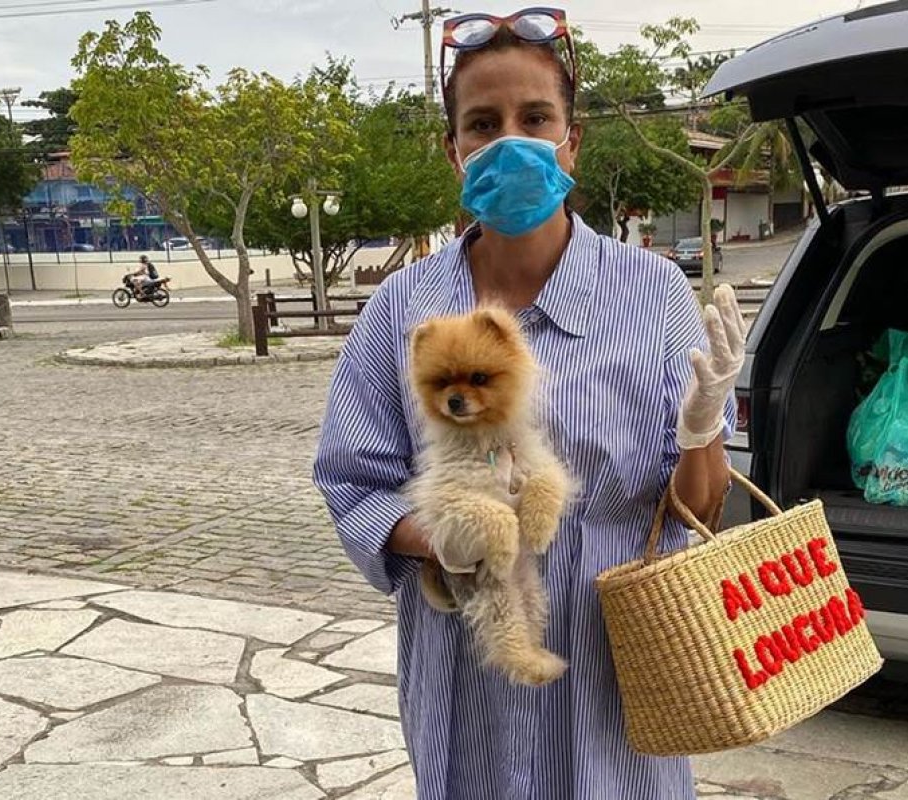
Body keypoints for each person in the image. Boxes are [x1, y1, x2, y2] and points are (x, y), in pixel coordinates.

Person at [313, 8, 742, 799]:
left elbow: (700, 509)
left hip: (618, 680)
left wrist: (704, 421)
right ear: (453, 151)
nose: (510, 140)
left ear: (571, 140)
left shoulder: (652, 296)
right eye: (482, 123)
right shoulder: (401, 311)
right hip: (466, 672)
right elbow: (352, 482)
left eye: (535, 117)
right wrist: (442, 539)